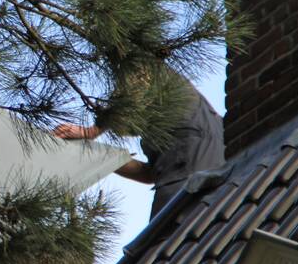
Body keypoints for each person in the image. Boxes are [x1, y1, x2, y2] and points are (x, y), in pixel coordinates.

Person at [53, 76, 224, 217]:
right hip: (191, 186)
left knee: (169, 238)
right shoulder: (162, 127)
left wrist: (91, 131)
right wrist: (100, 155)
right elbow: (150, 174)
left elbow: (137, 82)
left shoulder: (152, 75)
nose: (120, 131)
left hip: (191, 189)